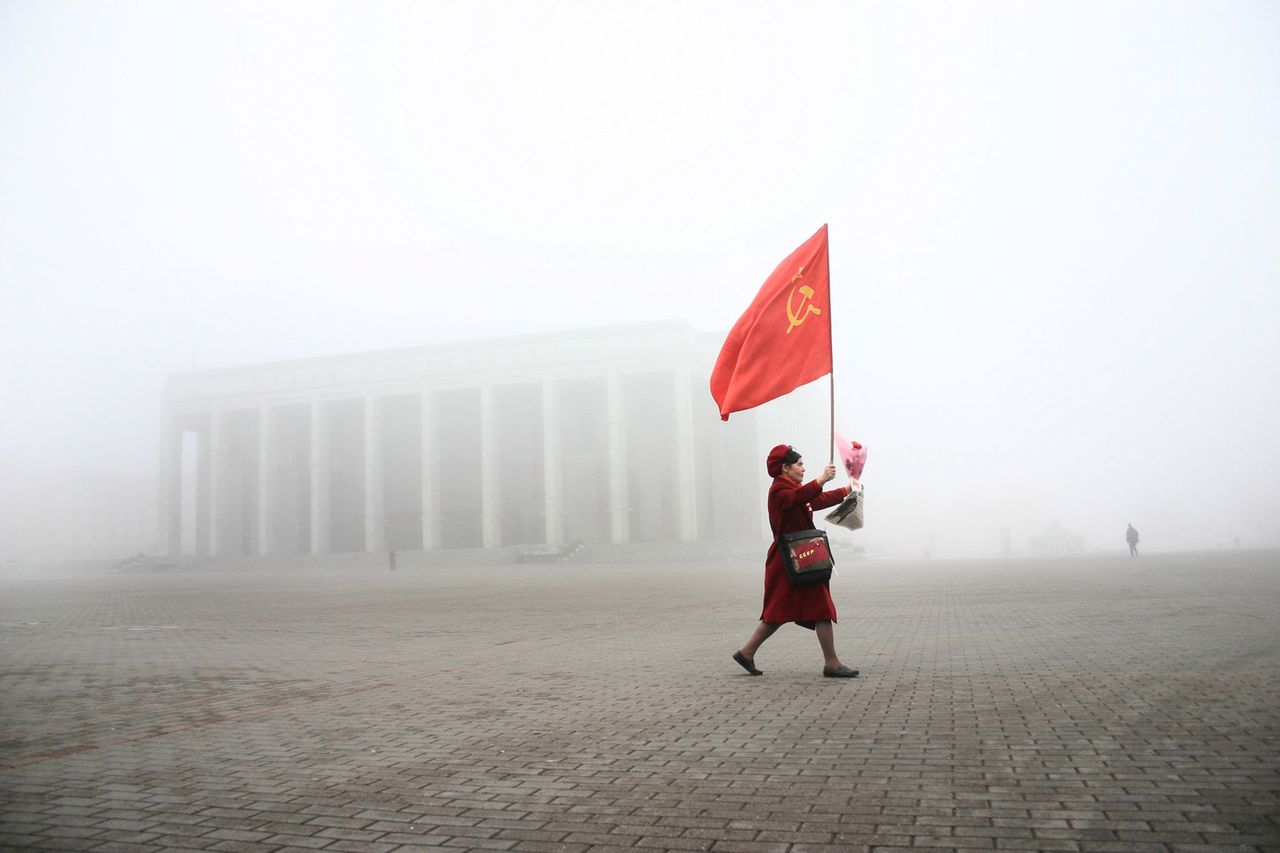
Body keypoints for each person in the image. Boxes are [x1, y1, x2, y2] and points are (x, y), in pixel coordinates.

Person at [733, 444, 860, 678]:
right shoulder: (780, 491)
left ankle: (746, 652)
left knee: (778, 613)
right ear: (784, 468)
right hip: (791, 558)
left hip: (797, 557)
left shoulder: (793, 489)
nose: (803, 469)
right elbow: (799, 497)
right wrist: (822, 478)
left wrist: (847, 490)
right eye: (799, 464)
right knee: (817, 608)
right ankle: (831, 663)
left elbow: (815, 501)